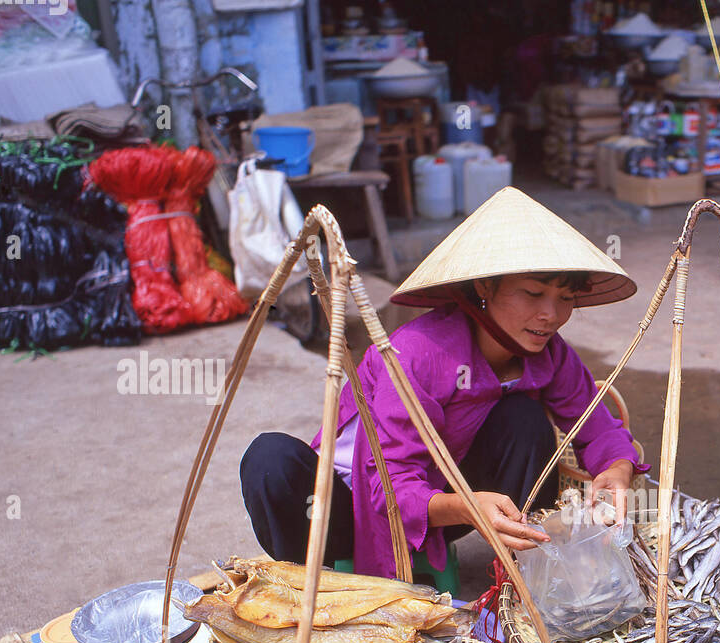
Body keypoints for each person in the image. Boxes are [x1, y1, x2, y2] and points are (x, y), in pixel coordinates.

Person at [241, 187, 647, 580]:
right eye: (534, 293)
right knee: (269, 459)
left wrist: (617, 467)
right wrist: (467, 506)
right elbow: (390, 487)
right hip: (353, 508)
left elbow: (597, 425)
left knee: (523, 418)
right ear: (485, 288)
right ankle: (307, 585)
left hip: (441, 508)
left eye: (565, 299)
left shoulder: (550, 355)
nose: (551, 314)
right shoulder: (418, 353)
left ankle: (533, 567)